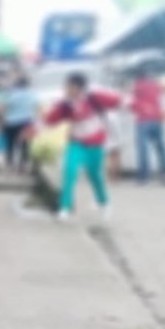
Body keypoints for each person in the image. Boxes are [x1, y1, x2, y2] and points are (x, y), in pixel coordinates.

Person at [44, 72, 120, 221]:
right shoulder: (65, 104)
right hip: (76, 143)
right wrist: (59, 106)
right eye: (65, 86)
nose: (65, 89)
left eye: (68, 86)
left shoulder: (94, 98)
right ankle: (64, 208)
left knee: (95, 176)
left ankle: (104, 203)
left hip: (96, 144)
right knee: (69, 172)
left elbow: (118, 101)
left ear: (78, 87)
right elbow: (50, 120)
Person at [130, 68, 165, 184]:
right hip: (157, 119)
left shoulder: (137, 86)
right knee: (161, 147)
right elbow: (164, 99)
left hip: (143, 121)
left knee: (143, 149)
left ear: (137, 77)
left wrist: (136, 109)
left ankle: (143, 176)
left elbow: (133, 104)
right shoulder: (155, 86)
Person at [0, 75, 37, 172]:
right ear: (27, 85)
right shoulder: (32, 95)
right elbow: (37, 108)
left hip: (11, 123)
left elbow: (4, 108)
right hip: (27, 122)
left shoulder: (12, 95)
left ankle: (9, 165)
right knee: (25, 145)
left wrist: (3, 119)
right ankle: (22, 166)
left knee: (10, 144)